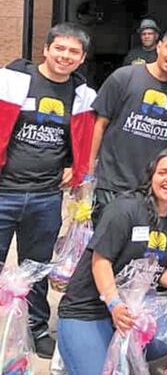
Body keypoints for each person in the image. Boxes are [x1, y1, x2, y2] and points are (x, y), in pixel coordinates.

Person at [0, 23, 96, 359]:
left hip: (46, 195)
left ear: (82, 58)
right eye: (60, 49)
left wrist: (76, 165)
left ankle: (36, 327)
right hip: (4, 190)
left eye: (73, 52)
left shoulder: (84, 96)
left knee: (37, 267)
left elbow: (83, 138)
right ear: (46, 49)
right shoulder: (10, 81)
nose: (65, 56)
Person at [57, 149, 167, 375]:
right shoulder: (125, 208)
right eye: (163, 172)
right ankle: (77, 352)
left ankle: (109, 353)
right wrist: (114, 304)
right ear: (151, 177)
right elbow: (100, 261)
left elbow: (158, 271)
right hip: (88, 310)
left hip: (131, 313)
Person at [90, 27, 167, 224]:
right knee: (105, 246)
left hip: (152, 187)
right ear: (159, 47)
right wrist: (88, 172)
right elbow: (99, 124)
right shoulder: (124, 77)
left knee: (140, 249)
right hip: (112, 182)